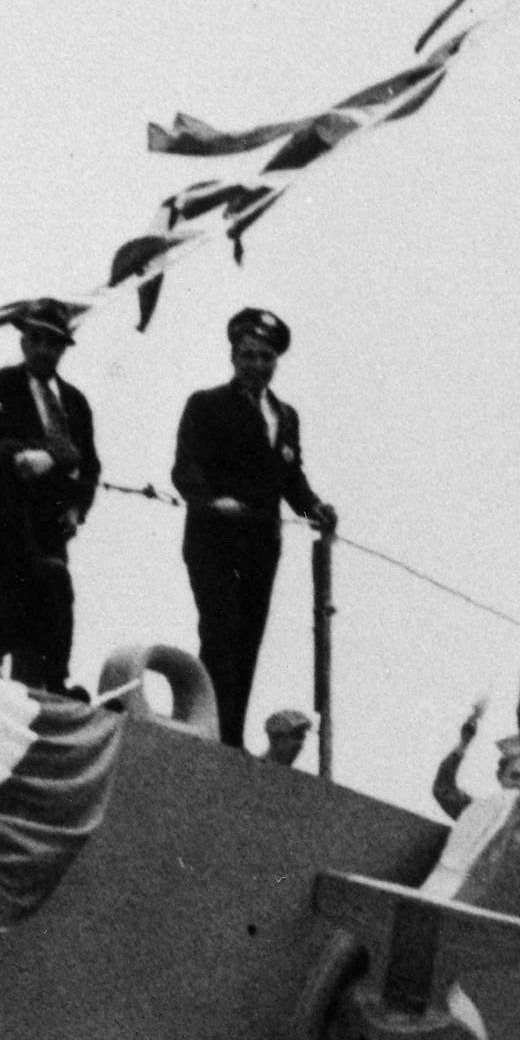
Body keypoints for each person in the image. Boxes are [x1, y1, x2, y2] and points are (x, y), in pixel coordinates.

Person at [170, 305, 335, 747]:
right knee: (220, 632)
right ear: (233, 357)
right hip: (215, 540)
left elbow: (289, 478)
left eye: (266, 357)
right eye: (248, 356)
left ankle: (231, 739)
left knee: (248, 640)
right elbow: (185, 469)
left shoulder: (286, 415)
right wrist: (211, 501)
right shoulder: (207, 405)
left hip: (262, 544)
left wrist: (314, 507)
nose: (257, 365)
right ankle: (209, 733)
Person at [0, 300, 102, 688]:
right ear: (24, 340)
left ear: (64, 348)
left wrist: (78, 508)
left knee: (52, 606)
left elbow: (89, 465)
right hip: (0, 522)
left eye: (54, 343)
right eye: (37, 339)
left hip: (53, 527)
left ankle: (45, 690)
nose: (44, 349)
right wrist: (22, 456)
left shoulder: (75, 402)